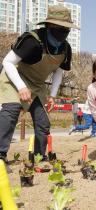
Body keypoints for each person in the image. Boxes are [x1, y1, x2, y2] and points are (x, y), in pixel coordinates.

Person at [0, 5, 79, 161]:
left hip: (37, 85)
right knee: (11, 111)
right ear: (49, 25)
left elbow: (58, 71)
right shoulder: (32, 40)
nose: (64, 31)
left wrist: (53, 95)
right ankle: (0, 154)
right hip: (14, 78)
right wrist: (21, 87)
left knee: (43, 122)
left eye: (66, 28)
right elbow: (8, 62)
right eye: (60, 27)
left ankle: (38, 157)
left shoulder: (65, 49)